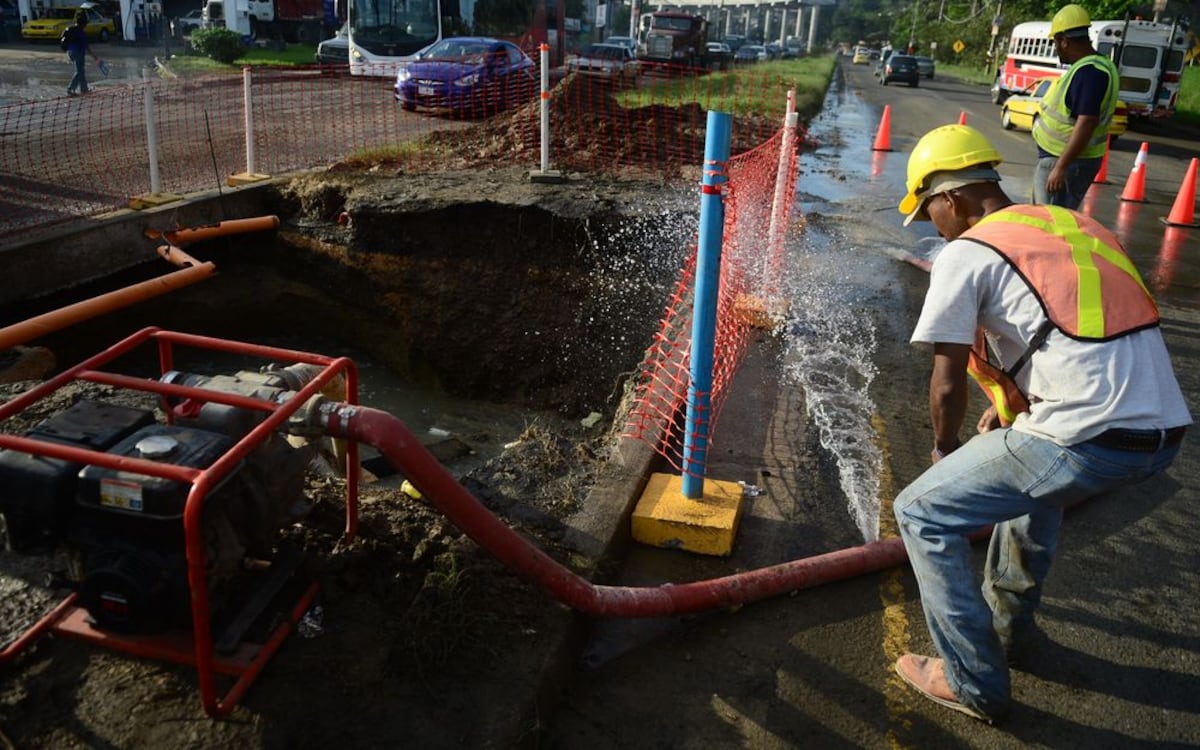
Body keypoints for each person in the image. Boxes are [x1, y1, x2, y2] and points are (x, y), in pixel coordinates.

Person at [892, 123, 1191, 722]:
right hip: (1163, 434)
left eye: (929, 212)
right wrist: (1008, 418)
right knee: (1034, 484)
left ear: (951, 198)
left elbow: (945, 379)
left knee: (921, 512)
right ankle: (1010, 635)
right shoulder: (1076, 226)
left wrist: (943, 448)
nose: (932, 227)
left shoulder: (967, 252)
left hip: (1086, 437)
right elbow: (1082, 341)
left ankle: (971, 681)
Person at [1031, 4, 1118, 208]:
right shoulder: (1098, 65)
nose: (1056, 48)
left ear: (1064, 41)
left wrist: (1061, 167)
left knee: (1050, 222)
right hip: (1068, 160)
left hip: (1065, 162)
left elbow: (1087, 121)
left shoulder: (1089, 73)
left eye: (1055, 42)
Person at [63, 10, 102, 97]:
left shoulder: (72, 30)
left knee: (80, 71)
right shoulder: (81, 33)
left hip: (70, 52)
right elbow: (86, 47)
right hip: (78, 53)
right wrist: (95, 57)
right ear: (84, 24)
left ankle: (83, 89)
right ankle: (73, 89)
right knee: (80, 71)